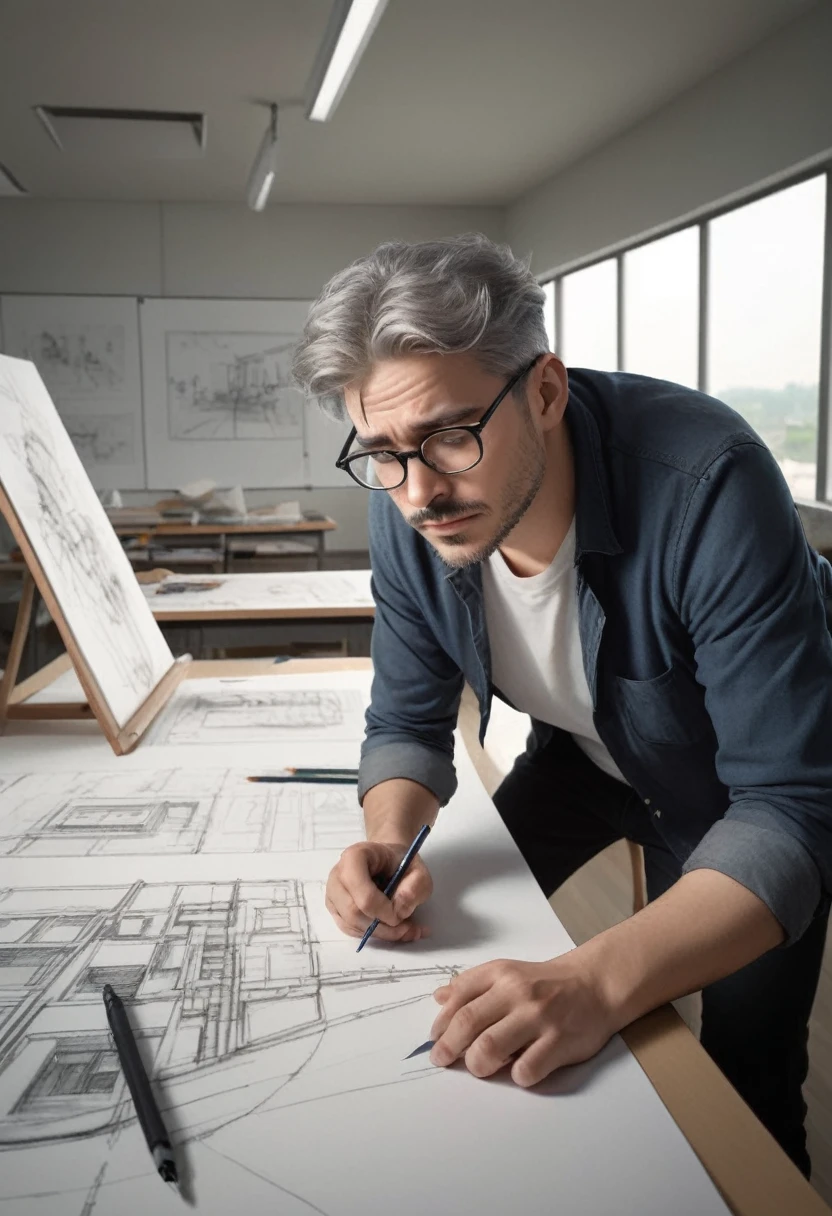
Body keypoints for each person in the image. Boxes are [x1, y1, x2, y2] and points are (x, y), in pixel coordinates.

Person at [293, 233, 832, 1175]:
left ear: (545, 391)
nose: (420, 491)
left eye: (452, 434)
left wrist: (598, 979)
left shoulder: (711, 483)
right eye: (381, 451)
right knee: (447, 933)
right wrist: (391, 834)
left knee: (744, 1072)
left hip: (741, 802)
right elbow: (407, 722)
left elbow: (793, 804)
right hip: (584, 758)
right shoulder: (407, 499)